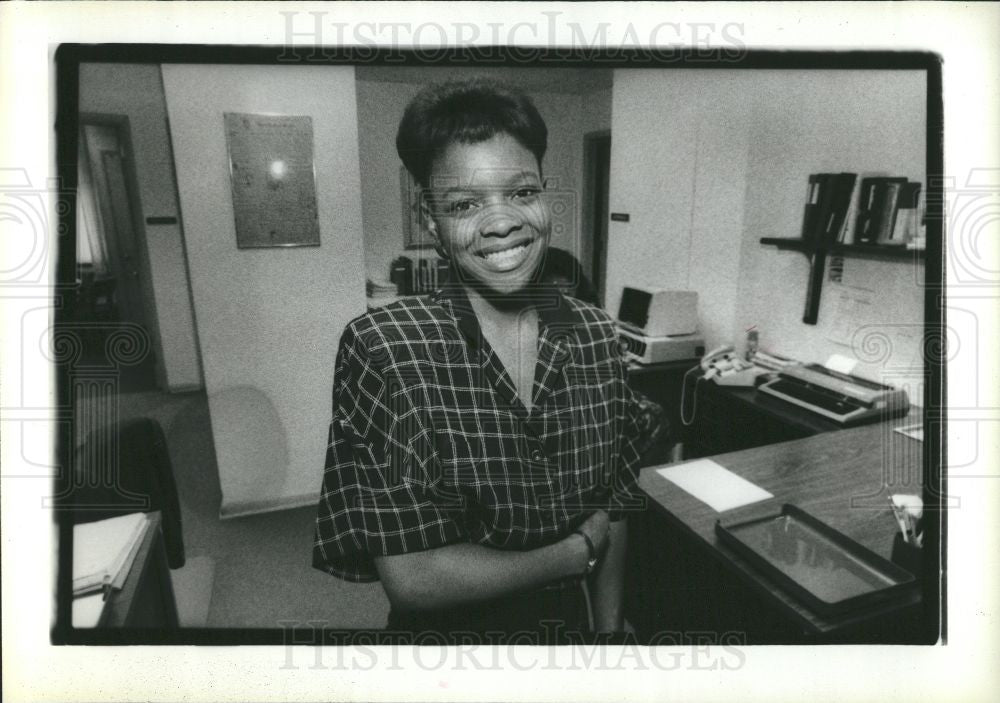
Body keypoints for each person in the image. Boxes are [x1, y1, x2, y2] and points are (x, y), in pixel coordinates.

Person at [313, 78, 647, 642]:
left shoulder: (594, 333)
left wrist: (610, 638)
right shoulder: (387, 350)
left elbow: (614, 506)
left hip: (573, 634)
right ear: (432, 223)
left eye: (521, 194)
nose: (500, 222)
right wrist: (573, 552)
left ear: (545, 195)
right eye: (465, 204)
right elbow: (415, 577)